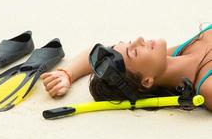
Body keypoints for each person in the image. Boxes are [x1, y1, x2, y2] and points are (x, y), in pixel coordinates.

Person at [41, 24, 212, 111]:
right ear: (146, 81)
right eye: (135, 52)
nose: (139, 39)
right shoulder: (208, 87)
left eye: (130, 43)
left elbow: (91, 56)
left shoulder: (181, 51)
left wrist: (67, 74)